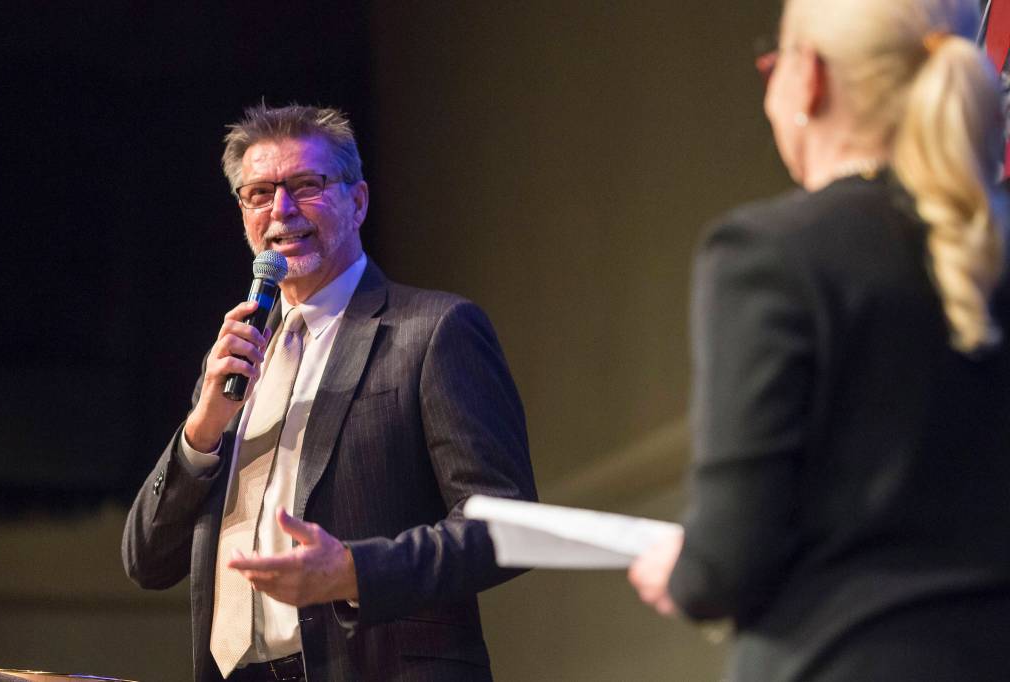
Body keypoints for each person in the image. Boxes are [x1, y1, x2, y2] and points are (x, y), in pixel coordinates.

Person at [629, 0, 1010, 679]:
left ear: (809, 78)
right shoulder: (992, 244)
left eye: (772, 65)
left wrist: (683, 571)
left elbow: (725, 561)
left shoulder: (768, 256)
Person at [122, 103, 537, 682]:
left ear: (358, 201)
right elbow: (145, 560)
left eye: (306, 186)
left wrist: (353, 573)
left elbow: (507, 526)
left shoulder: (433, 330)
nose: (281, 210)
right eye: (259, 193)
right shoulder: (234, 363)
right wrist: (202, 429)